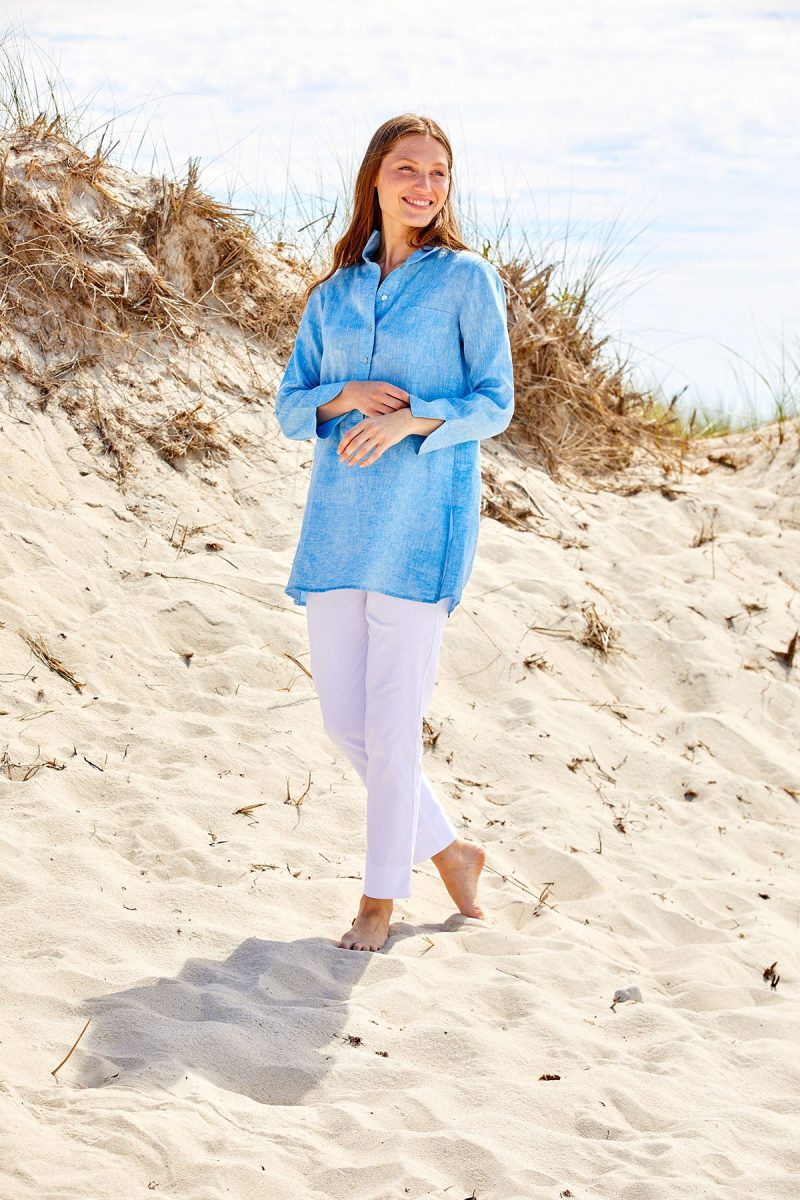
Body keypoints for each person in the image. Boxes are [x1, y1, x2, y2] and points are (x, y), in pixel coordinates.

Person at [275, 113, 514, 952]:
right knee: (346, 725)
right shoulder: (333, 294)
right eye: (407, 168)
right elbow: (289, 403)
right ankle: (452, 852)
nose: (423, 186)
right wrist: (345, 395)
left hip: (421, 530)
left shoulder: (465, 280)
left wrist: (416, 418)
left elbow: (495, 400)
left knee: (391, 727)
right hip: (338, 528)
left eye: (438, 173)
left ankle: (380, 901)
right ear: (375, 176)